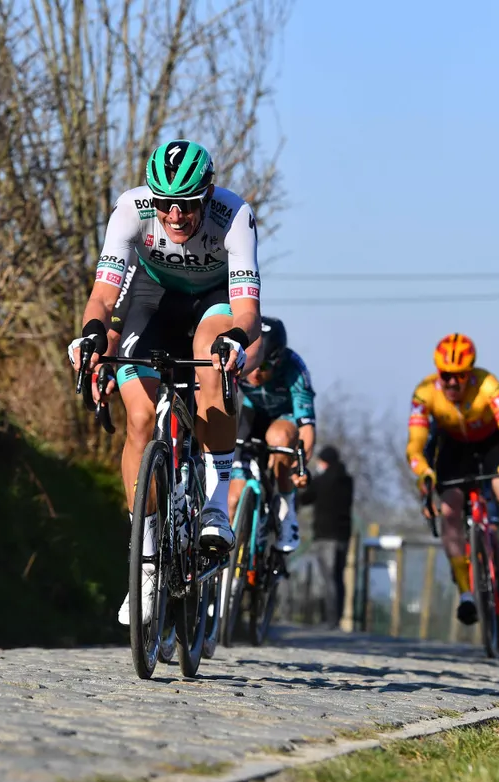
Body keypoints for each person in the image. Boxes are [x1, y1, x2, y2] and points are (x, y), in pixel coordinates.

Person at [67, 139, 263, 625]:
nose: (175, 215)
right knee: (138, 418)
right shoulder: (131, 210)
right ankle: (147, 561)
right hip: (151, 301)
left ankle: (216, 505)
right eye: (165, 204)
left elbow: (248, 314)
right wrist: (93, 334)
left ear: (208, 196)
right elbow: (103, 298)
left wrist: (236, 342)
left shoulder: (233, 215)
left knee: (211, 358)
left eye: (187, 205)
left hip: (213, 302)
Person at [405, 333, 499, 627]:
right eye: (445, 376)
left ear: (470, 373)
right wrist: (424, 472)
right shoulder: (425, 392)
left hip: (490, 443)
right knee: (449, 509)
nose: (451, 383)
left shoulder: (488, 385)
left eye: (459, 377)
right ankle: (466, 594)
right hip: (452, 447)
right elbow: (415, 444)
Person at [226, 316, 316, 553]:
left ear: (277, 361)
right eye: (254, 364)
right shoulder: (240, 360)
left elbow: (306, 425)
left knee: (280, 440)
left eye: (264, 366)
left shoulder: (294, 369)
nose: (255, 374)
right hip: (252, 414)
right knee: (232, 500)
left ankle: (286, 510)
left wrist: (301, 466)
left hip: (283, 417)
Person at [298, 445, 354, 628]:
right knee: (338, 577)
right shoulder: (348, 481)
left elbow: (305, 498)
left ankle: (329, 619)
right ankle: (337, 617)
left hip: (325, 535)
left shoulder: (321, 481)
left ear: (325, 462)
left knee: (328, 578)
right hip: (343, 536)